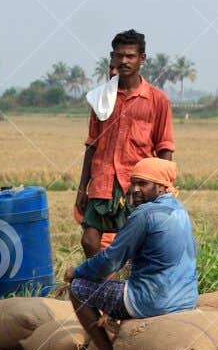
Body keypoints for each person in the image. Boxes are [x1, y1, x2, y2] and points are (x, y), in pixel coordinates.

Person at [64, 157, 197, 350]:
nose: (134, 190)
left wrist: (76, 272)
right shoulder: (180, 210)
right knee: (127, 282)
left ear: (162, 186)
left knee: (78, 289)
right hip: (186, 299)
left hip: (152, 300)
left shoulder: (144, 215)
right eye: (133, 183)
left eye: (143, 184)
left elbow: (109, 261)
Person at [75, 29, 176, 261]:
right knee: (89, 241)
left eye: (130, 56)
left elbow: (164, 147)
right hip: (102, 181)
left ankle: (127, 291)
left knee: (137, 245)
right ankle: (103, 289)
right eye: (119, 56)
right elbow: (92, 145)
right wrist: (82, 188)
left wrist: (165, 188)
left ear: (142, 59)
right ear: (112, 57)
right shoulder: (101, 99)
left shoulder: (157, 100)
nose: (124, 61)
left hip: (137, 184)